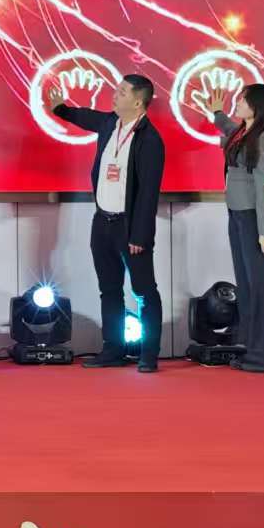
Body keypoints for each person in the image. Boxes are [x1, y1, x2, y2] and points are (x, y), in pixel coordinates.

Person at [48, 73, 166, 371]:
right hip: (102, 221)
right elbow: (85, 117)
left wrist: (140, 235)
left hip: (130, 227)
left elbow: (148, 193)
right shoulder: (109, 123)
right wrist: (61, 109)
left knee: (144, 291)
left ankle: (149, 355)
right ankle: (112, 349)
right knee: (109, 289)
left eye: (122, 92)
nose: (115, 95)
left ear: (138, 102)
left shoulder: (150, 139)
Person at [207, 82, 264, 373]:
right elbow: (230, 131)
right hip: (238, 214)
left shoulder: (263, 138)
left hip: (254, 219)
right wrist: (217, 114)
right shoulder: (244, 132)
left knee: (263, 287)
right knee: (248, 285)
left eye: (243, 100)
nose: (237, 104)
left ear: (258, 106)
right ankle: (253, 350)